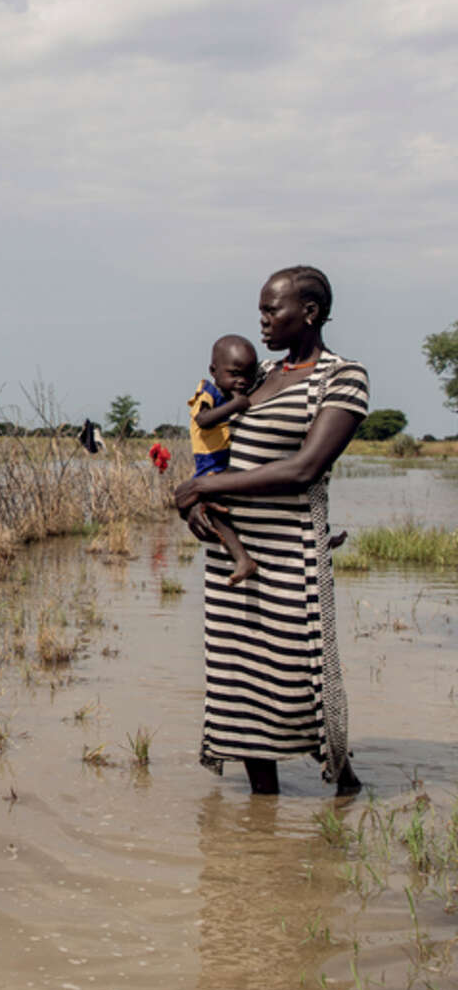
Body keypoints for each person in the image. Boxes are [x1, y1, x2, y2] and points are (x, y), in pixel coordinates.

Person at [174, 266, 367, 796]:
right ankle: (264, 814)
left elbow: (306, 468)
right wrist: (199, 505)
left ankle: (343, 785)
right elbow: (217, 444)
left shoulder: (341, 378)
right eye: (260, 309)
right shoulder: (259, 379)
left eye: (271, 309)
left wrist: (210, 490)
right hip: (232, 559)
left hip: (289, 556)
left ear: (308, 313)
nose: (262, 320)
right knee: (240, 686)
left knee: (301, 680)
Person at [188, 334, 259, 585]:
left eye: (249, 375)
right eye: (235, 374)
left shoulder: (229, 394)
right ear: (214, 371)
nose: (242, 381)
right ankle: (241, 558)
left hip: (225, 463)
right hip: (210, 465)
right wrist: (237, 405)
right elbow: (203, 420)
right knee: (212, 508)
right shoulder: (207, 391)